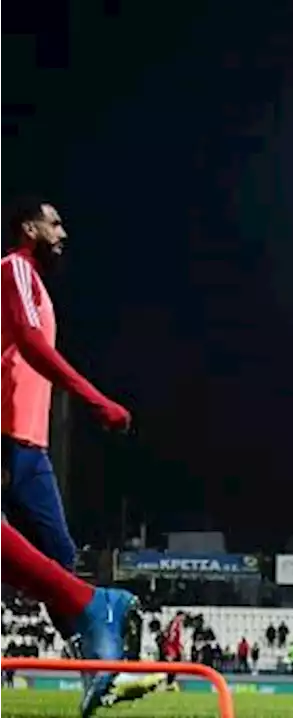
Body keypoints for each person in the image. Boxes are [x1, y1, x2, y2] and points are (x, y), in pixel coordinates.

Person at [0, 196, 140, 717]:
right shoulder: (14, 268)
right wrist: (94, 398)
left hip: (29, 446)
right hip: (4, 435)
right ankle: (97, 624)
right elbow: (32, 345)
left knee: (58, 563)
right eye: (54, 222)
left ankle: (101, 666)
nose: (63, 232)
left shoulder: (39, 289)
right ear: (27, 226)